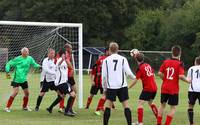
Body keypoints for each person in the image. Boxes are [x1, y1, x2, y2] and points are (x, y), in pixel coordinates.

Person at [102, 42, 136, 125]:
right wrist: (135, 77)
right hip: (122, 86)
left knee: (108, 106)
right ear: (117, 49)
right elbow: (128, 73)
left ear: (109, 49)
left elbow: (104, 76)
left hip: (111, 86)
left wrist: (104, 88)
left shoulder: (105, 60)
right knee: (126, 106)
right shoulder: (123, 59)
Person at [157, 45, 191, 125]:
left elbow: (159, 73)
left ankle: (158, 123)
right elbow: (181, 76)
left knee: (162, 106)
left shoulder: (166, 62)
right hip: (173, 89)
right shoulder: (179, 63)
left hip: (164, 87)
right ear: (180, 53)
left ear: (172, 52)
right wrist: (188, 81)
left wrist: (165, 79)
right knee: (173, 108)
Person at [5, 47, 40, 112]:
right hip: (16, 79)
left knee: (27, 93)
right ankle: (7, 107)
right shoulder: (17, 59)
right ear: (22, 53)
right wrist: (7, 71)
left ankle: (24, 107)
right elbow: (8, 63)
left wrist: (40, 66)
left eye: (28, 51)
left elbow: (34, 64)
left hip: (23, 79)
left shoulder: (30, 58)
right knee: (15, 92)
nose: (28, 53)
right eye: (26, 51)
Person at [129, 53, 158, 125]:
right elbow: (153, 75)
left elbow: (136, 80)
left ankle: (140, 122)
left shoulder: (140, 68)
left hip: (148, 88)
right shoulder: (148, 65)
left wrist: (128, 87)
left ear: (136, 59)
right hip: (154, 87)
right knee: (150, 103)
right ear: (143, 58)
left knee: (140, 103)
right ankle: (159, 118)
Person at [46, 49, 76, 116]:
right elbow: (58, 65)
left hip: (62, 82)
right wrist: (62, 59)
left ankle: (50, 108)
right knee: (73, 94)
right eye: (66, 53)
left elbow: (71, 67)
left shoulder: (65, 61)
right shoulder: (59, 60)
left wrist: (65, 59)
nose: (67, 54)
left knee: (61, 96)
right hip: (61, 83)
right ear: (63, 54)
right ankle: (67, 111)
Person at [85, 48, 111, 115]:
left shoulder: (110, 59)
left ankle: (101, 107)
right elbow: (93, 70)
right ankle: (87, 106)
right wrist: (92, 80)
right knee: (91, 95)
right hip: (96, 82)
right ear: (106, 51)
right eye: (108, 51)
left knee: (105, 95)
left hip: (104, 82)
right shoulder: (100, 59)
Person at [58, 44, 76, 114]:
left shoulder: (67, 54)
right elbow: (69, 64)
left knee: (66, 93)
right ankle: (67, 108)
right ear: (66, 48)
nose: (71, 50)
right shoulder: (65, 54)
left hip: (68, 76)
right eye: (70, 48)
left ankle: (63, 107)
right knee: (72, 92)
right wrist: (72, 69)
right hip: (67, 77)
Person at [186, 56, 200, 125]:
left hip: (192, 90)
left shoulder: (191, 68)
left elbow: (188, 80)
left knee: (190, 106)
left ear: (195, 62)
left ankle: (191, 123)